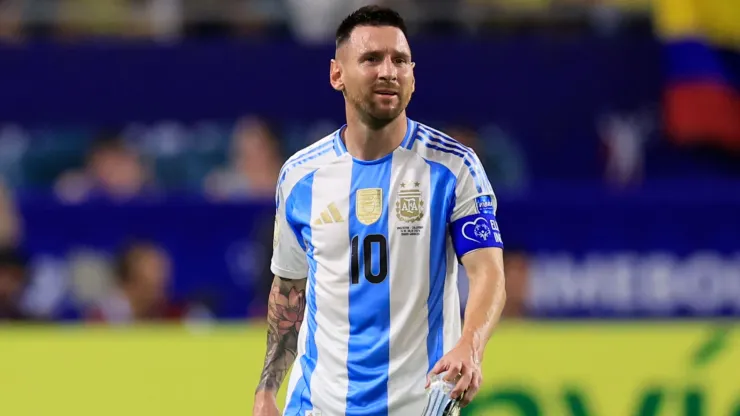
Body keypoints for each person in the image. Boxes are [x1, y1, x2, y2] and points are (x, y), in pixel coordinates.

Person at [253, 5, 507, 415]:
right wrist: (267, 389)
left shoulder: (454, 169)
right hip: (318, 405)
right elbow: (289, 290)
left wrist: (470, 346)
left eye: (400, 60)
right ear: (337, 74)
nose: (388, 71)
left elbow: (488, 271)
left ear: (413, 76)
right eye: (371, 59)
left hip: (417, 404)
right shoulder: (300, 177)